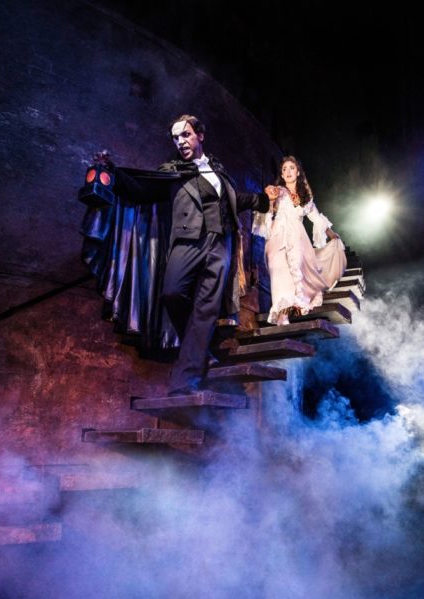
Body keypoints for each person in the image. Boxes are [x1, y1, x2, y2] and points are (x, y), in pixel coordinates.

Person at [104, 114, 271, 396]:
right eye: (176, 137)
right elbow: (143, 187)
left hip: (219, 246)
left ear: (200, 136)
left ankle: (185, 381)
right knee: (171, 292)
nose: (180, 141)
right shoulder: (173, 171)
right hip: (187, 241)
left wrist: (262, 199)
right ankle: (201, 349)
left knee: (205, 310)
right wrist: (112, 172)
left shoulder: (219, 172)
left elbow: (234, 200)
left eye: (186, 135)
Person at [253, 155, 347, 325]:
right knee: (279, 272)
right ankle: (282, 315)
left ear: (298, 172)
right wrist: (271, 200)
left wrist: (332, 235)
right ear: (281, 175)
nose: (288, 171)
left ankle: (295, 304)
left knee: (298, 271)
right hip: (278, 237)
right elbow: (267, 210)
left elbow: (317, 218)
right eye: (284, 169)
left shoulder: (306, 198)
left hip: (297, 238)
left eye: (291, 168)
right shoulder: (277, 191)